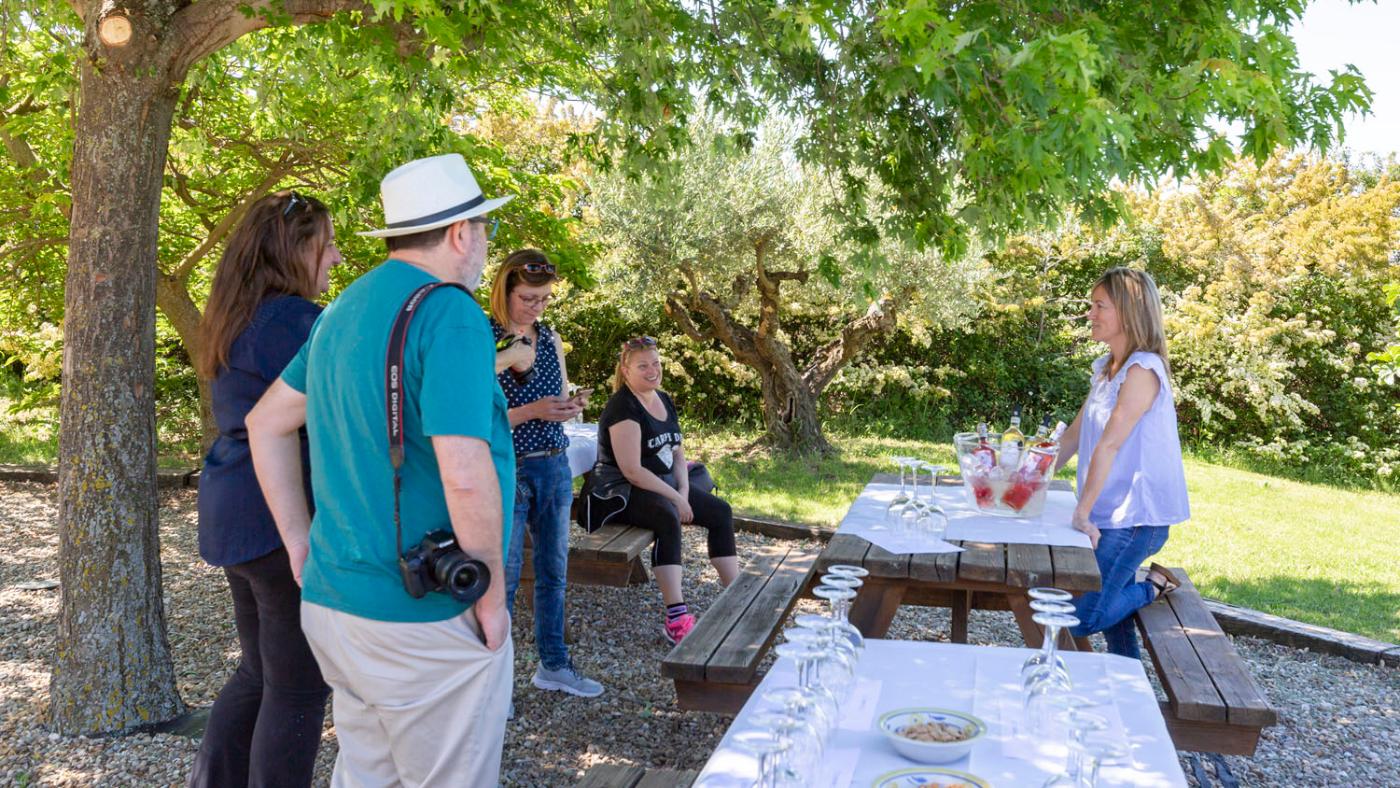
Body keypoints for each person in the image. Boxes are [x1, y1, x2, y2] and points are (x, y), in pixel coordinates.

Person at [247, 154, 515, 787]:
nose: (484, 244)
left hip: (336, 607)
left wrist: (298, 542)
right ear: (459, 233)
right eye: (484, 229)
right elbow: (466, 472)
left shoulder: (343, 309)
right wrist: (493, 594)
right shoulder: (449, 312)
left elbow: (266, 423)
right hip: (420, 619)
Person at [189, 190, 338, 788]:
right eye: (325, 247)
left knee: (259, 672)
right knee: (298, 686)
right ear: (294, 251)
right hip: (277, 516)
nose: (334, 259)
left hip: (235, 512)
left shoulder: (238, 313)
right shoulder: (295, 322)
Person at [1054, 267, 1190, 658]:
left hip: (1135, 519)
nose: (1090, 314)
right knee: (1114, 622)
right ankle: (1127, 688)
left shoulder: (1142, 371)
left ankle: (1155, 587)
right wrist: (1028, 481)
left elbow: (1110, 445)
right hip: (1111, 513)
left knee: (1081, 618)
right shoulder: (1106, 368)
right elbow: (1075, 436)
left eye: (1100, 306)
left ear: (1129, 312)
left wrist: (1082, 513)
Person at [488, 249, 603, 698]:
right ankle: (495, 684)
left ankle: (553, 664)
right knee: (507, 575)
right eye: (528, 298)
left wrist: (570, 406)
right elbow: (477, 416)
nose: (537, 307)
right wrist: (533, 410)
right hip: (508, 468)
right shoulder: (482, 336)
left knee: (554, 571)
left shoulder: (550, 337)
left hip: (554, 463)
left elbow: (558, 399)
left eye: (544, 299)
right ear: (505, 292)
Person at [584, 336, 739, 644]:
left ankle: (736, 595)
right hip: (618, 492)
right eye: (643, 366)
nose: (652, 370)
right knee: (667, 516)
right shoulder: (623, 408)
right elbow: (632, 471)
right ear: (626, 371)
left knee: (720, 511)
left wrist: (683, 488)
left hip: (660, 483)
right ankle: (676, 617)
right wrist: (676, 498)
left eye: (656, 363)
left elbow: (677, 452)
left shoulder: (662, 398)